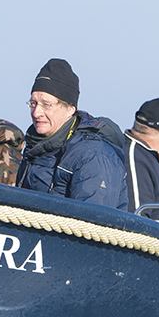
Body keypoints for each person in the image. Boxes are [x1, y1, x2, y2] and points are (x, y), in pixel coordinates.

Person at [14, 58, 127, 209]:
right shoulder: (34, 147)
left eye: (46, 105)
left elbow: (93, 223)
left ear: (70, 109)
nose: (37, 112)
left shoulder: (93, 155)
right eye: (33, 103)